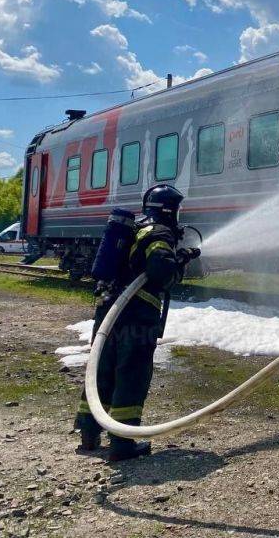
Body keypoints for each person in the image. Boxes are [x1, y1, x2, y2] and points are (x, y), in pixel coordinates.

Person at [74, 184, 193, 462]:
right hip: (136, 316)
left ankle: (89, 433)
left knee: (101, 371)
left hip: (108, 312)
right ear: (170, 210)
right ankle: (123, 443)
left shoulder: (135, 228)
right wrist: (181, 262)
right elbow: (160, 272)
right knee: (131, 374)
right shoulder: (160, 232)